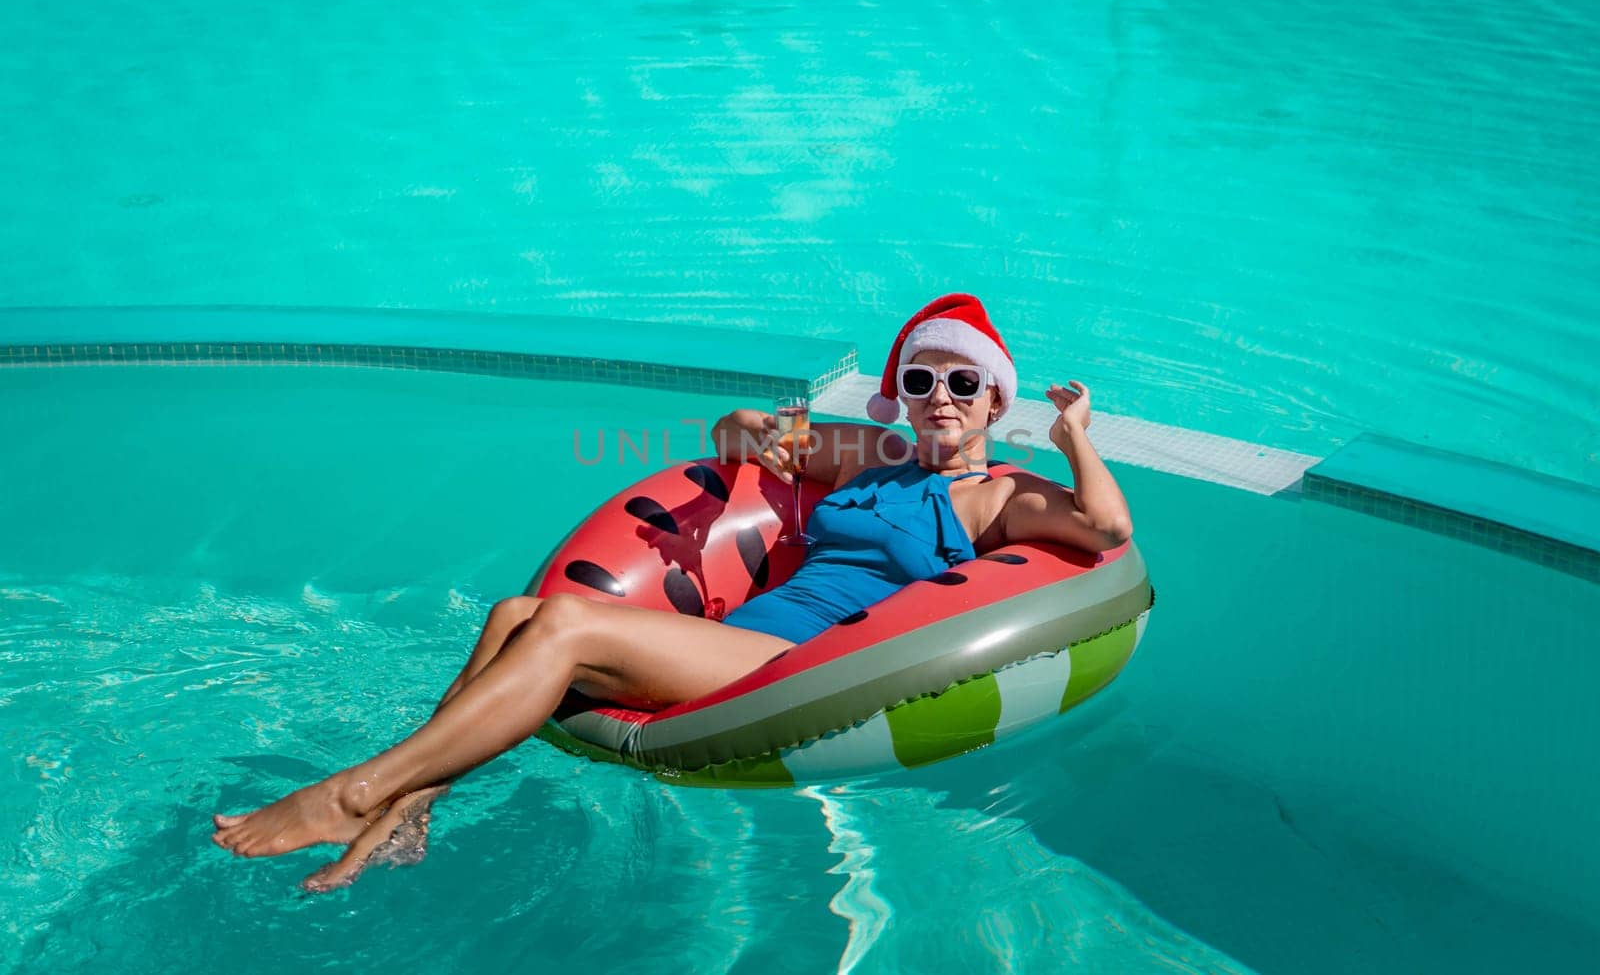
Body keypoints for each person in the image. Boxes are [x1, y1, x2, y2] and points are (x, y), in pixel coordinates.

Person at [210, 293, 1132, 891]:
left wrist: (1074, 434)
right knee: (512, 614)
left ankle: (359, 791)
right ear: (901, 392)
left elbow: (1108, 531)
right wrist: (739, 424)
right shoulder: (876, 456)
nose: (941, 398)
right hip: (744, 635)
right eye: (923, 379)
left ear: (994, 400)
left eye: (963, 383)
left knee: (562, 623)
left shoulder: (1002, 496)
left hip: (796, 667)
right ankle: (409, 813)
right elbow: (756, 443)